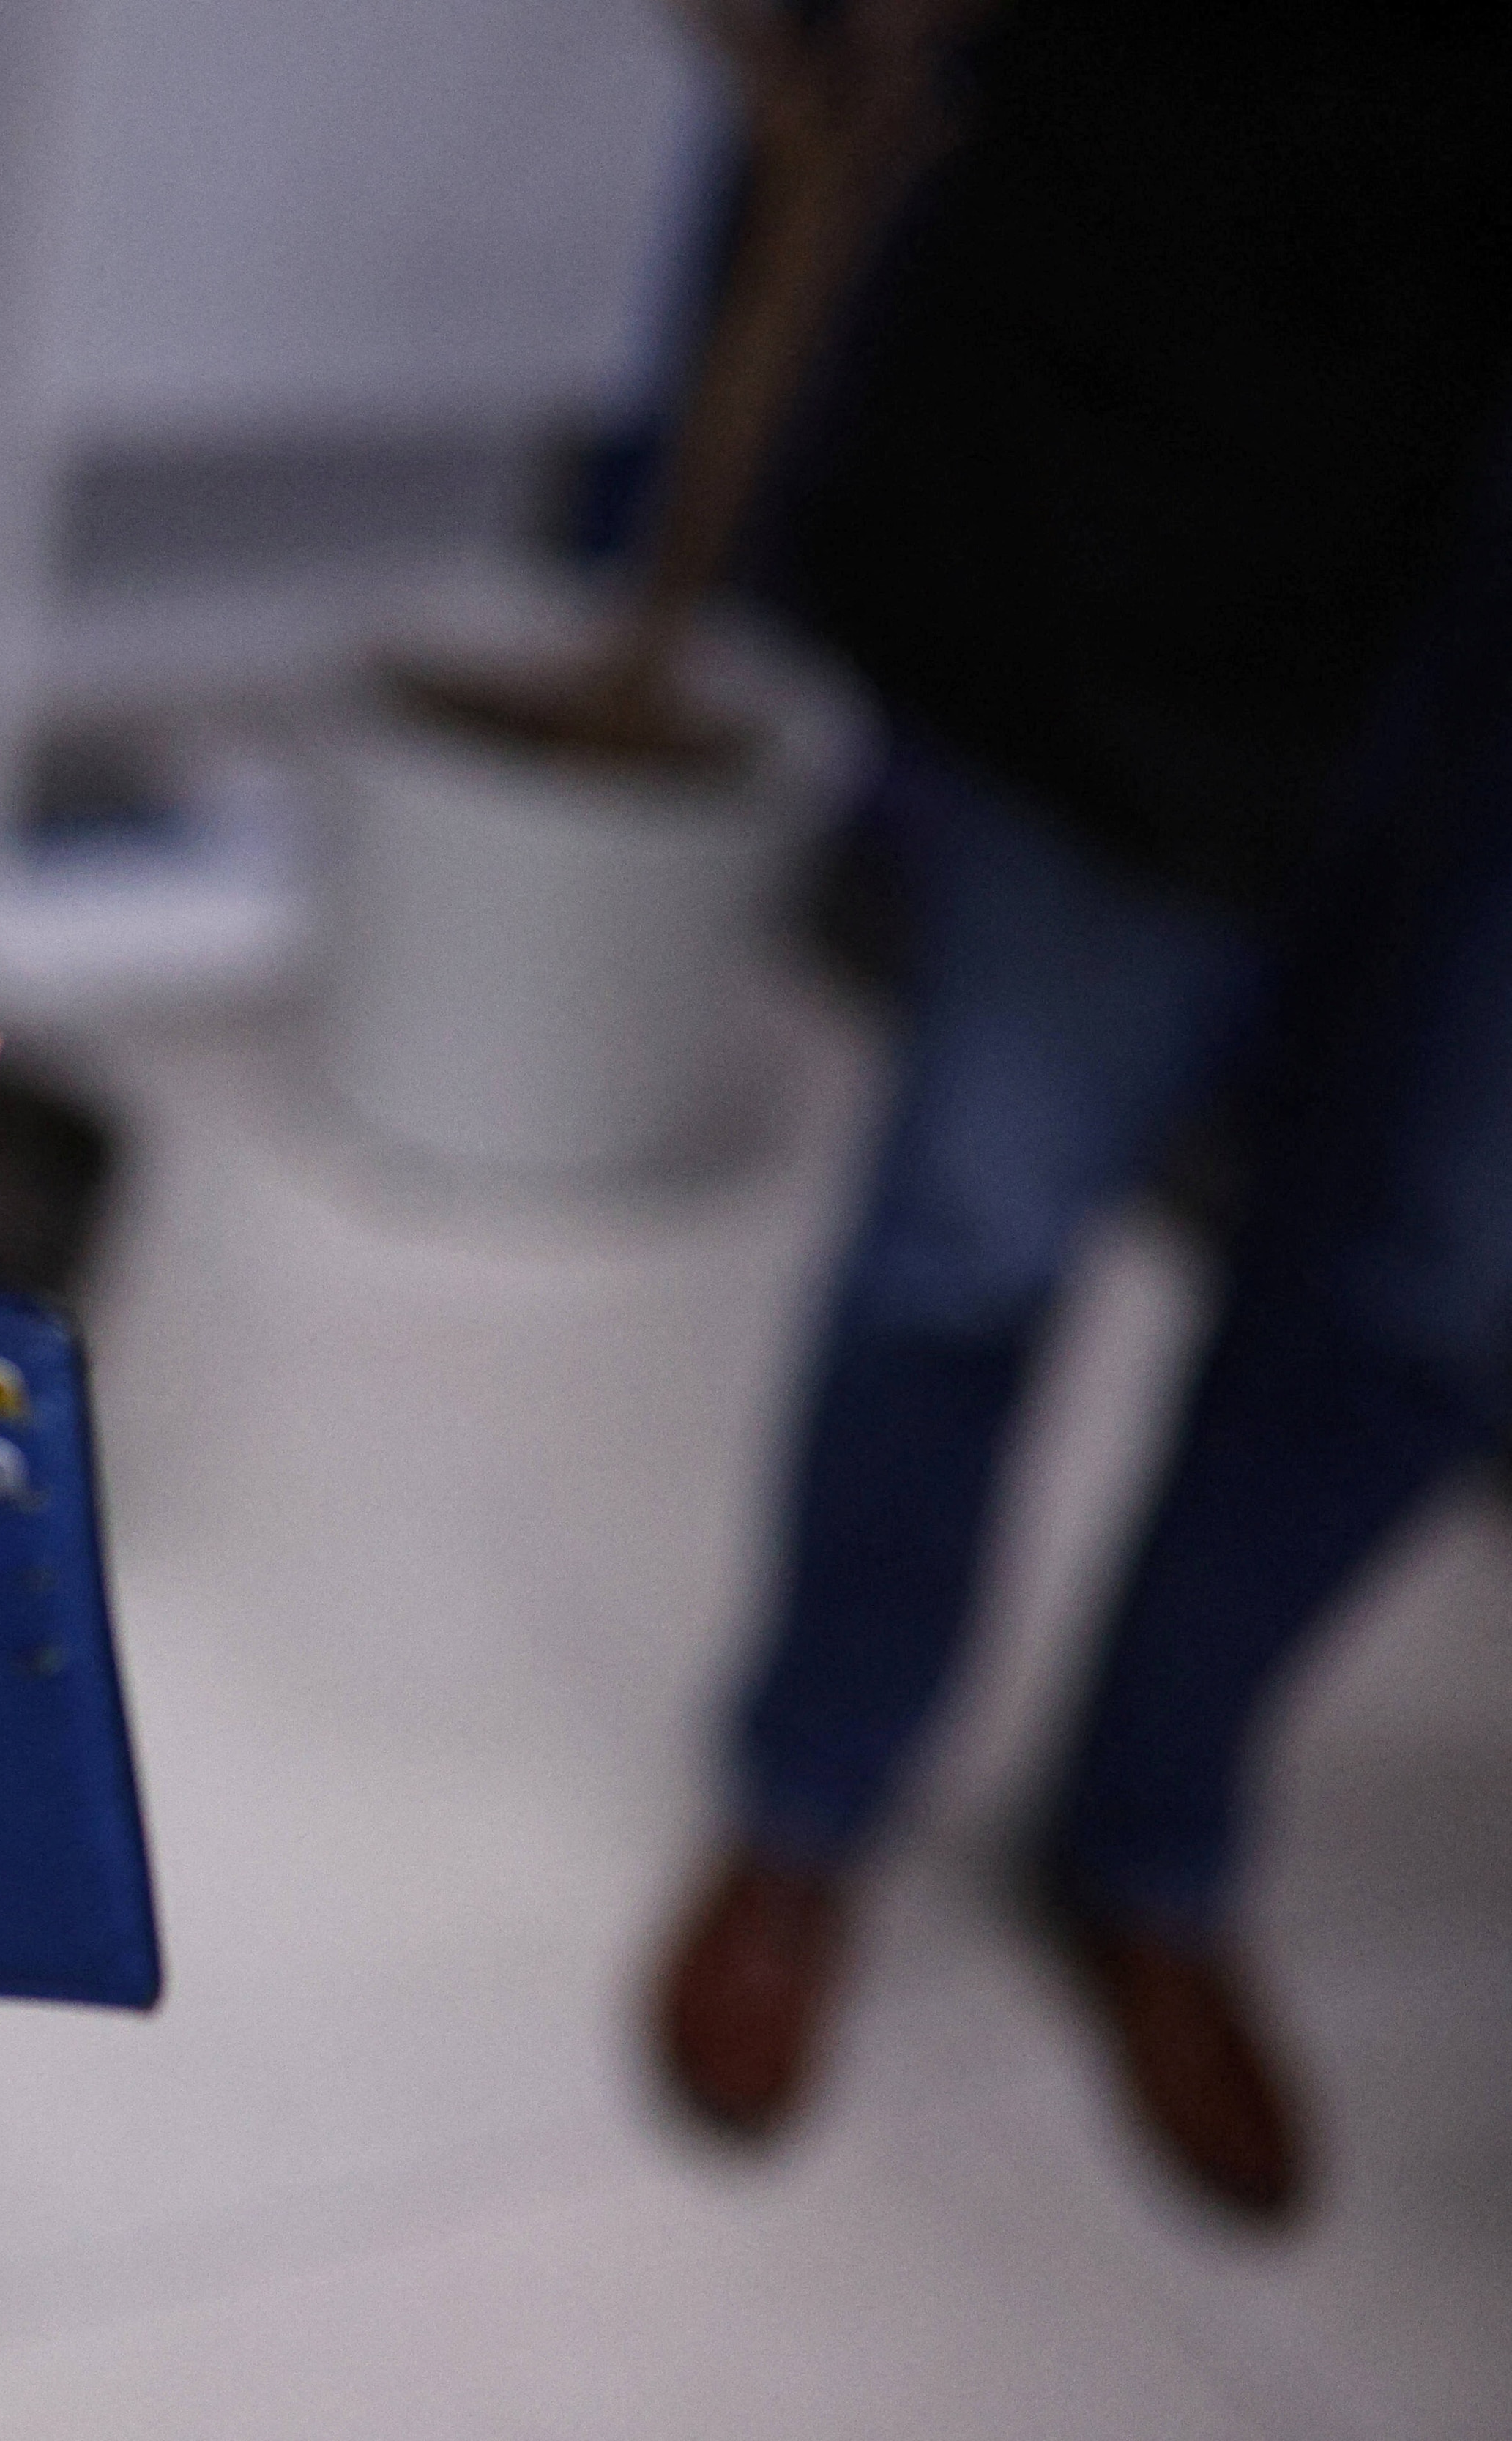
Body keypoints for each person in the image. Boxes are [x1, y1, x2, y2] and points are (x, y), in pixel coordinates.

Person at [652, 0, 1512, 2224]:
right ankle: (811, 1798)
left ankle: (1152, 1837)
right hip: (1215, 354)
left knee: (1441, 1289)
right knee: (984, 1216)